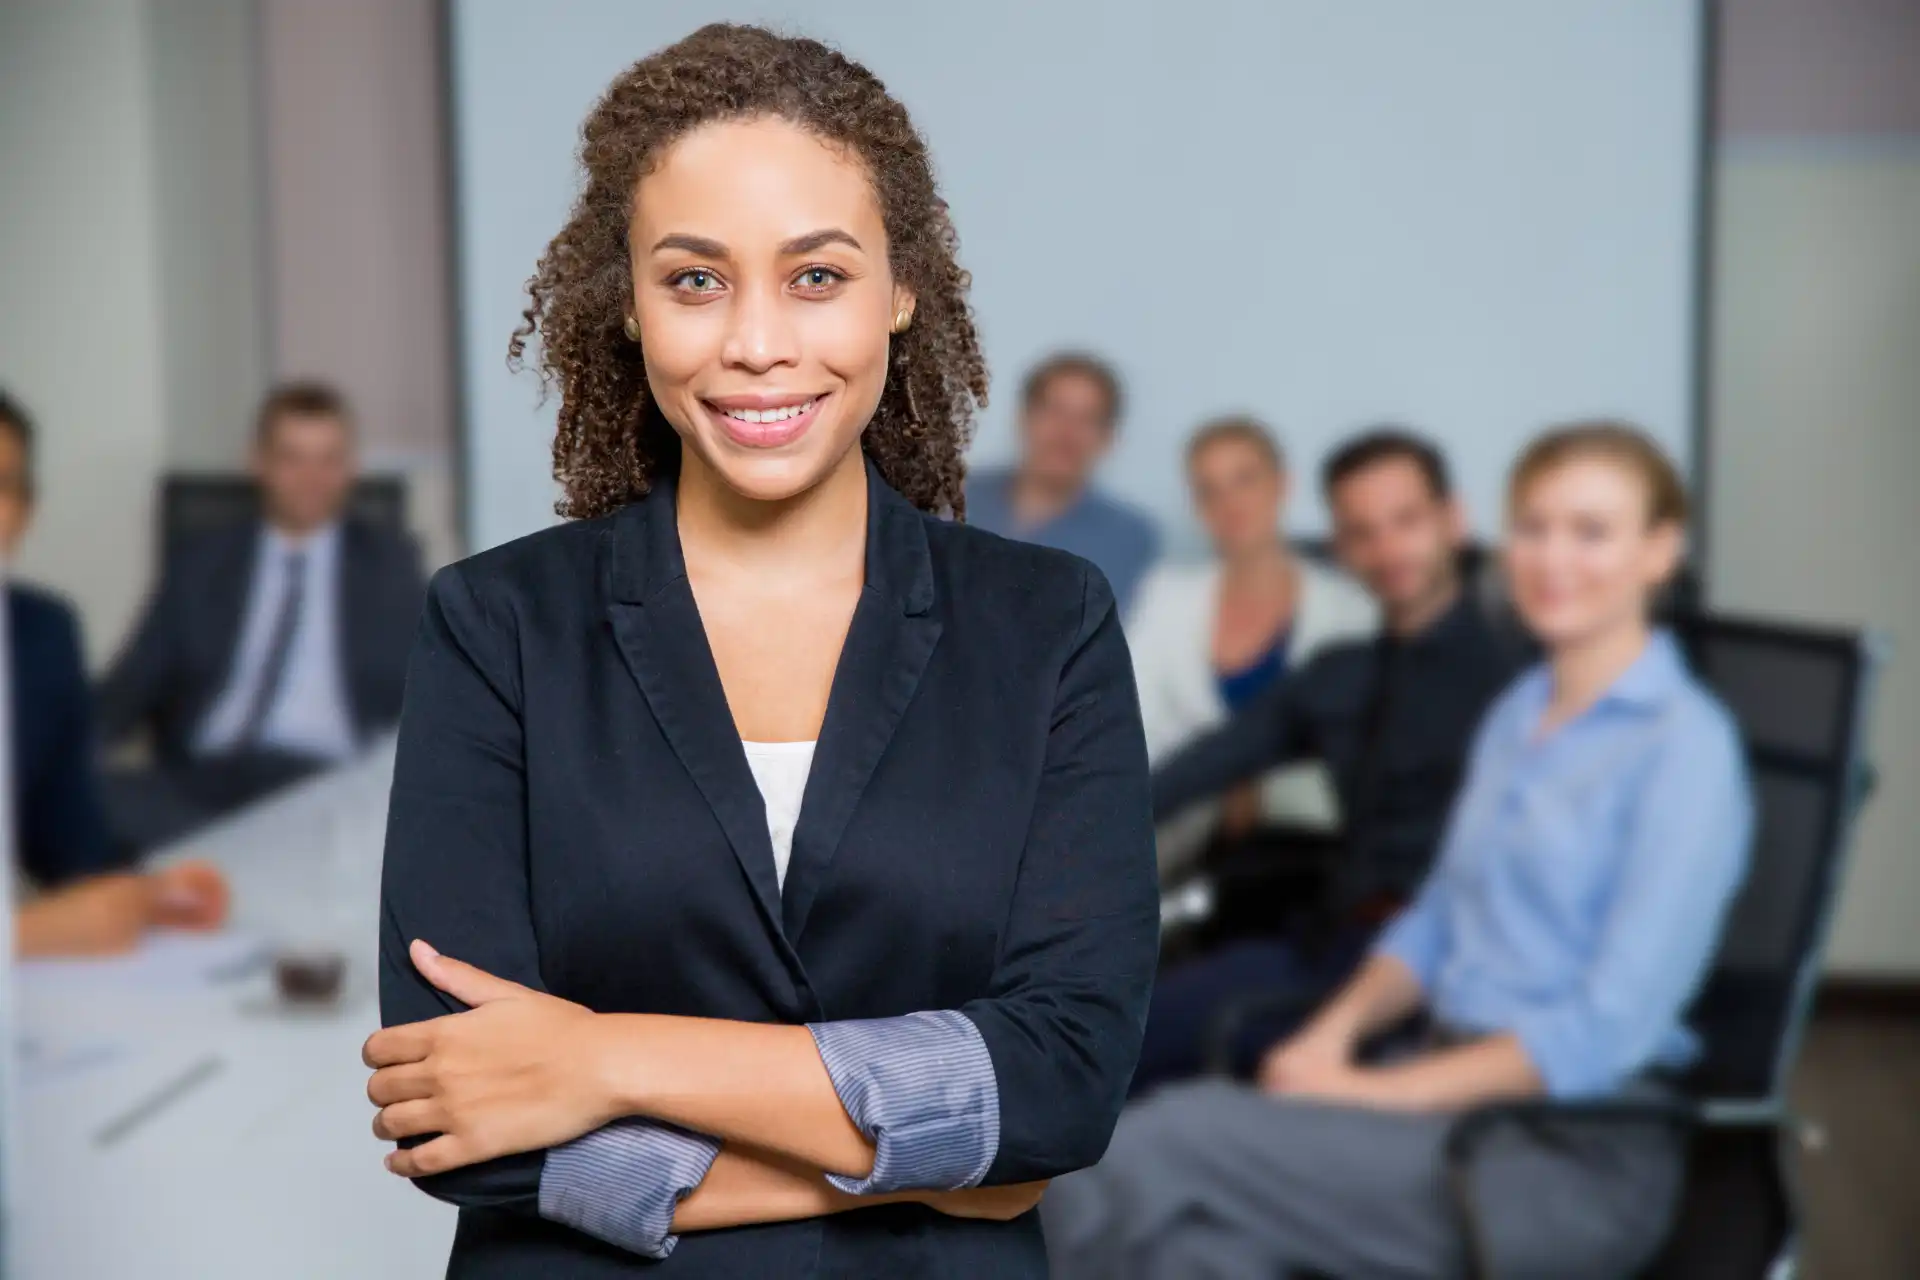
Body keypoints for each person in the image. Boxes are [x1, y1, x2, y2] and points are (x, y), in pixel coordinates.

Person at [361, 25, 1158, 1279]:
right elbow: (460, 1120)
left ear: (901, 288)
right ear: (627, 302)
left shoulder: (1048, 626)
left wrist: (604, 1059)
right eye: (694, 279)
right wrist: (950, 1158)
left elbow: (1062, 1085)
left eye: (816, 276)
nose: (756, 343)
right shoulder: (496, 625)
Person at [1046, 422, 1752, 1280]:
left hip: (1558, 1153)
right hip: (1438, 1085)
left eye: (1592, 531)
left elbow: (1599, 1033)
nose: (1553, 557)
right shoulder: (1523, 713)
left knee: (1155, 1149)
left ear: (1659, 551)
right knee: (1190, 1255)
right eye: (1534, 526)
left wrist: (1363, 1095)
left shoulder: (1684, 750)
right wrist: (1330, 1044)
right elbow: (1438, 920)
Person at [1131, 429, 1521, 1093]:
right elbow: (1192, 770)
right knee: (1109, 1033)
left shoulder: (1522, 678)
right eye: (1363, 531)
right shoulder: (1341, 677)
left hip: (1441, 976)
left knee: (1127, 1058)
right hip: (1328, 946)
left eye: (1406, 522)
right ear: (1341, 547)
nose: (1388, 549)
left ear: (1454, 520)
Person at [95, 382, 426, 851]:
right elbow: (129, 685)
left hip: (323, 783)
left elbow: (423, 693)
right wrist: (56, 759)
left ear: (351, 468)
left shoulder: (391, 566)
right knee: (93, 800)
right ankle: (235, 864)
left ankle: (225, 868)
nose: (312, 478)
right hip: (201, 782)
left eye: (328, 459)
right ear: (258, 461)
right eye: (293, 458)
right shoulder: (201, 564)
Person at [0, 390, 226, 955]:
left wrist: (143, 896)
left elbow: (65, 842)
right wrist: (27, 934)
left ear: (25, 510)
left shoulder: (41, 635)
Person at [1127, 416, 1375, 877]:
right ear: (1197, 507)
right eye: (1209, 490)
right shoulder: (1167, 598)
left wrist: (1251, 788)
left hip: (1302, 841)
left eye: (1245, 479)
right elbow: (1130, 724)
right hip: (1173, 823)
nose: (1230, 503)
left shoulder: (1350, 611)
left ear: (1283, 484)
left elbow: (1354, 759)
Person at [964, 352, 1160, 612]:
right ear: (1023, 419)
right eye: (1055, 411)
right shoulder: (950, 497)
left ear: (1108, 438)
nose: (1066, 433)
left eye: (1087, 419)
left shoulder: (1125, 537)